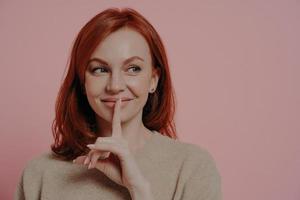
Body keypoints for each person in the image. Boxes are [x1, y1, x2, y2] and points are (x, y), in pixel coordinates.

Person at [14, 7, 222, 200]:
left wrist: (139, 189)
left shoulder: (192, 168)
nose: (115, 86)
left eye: (133, 68)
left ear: (153, 79)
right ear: (82, 82)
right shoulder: (40, 173)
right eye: (100, 69)